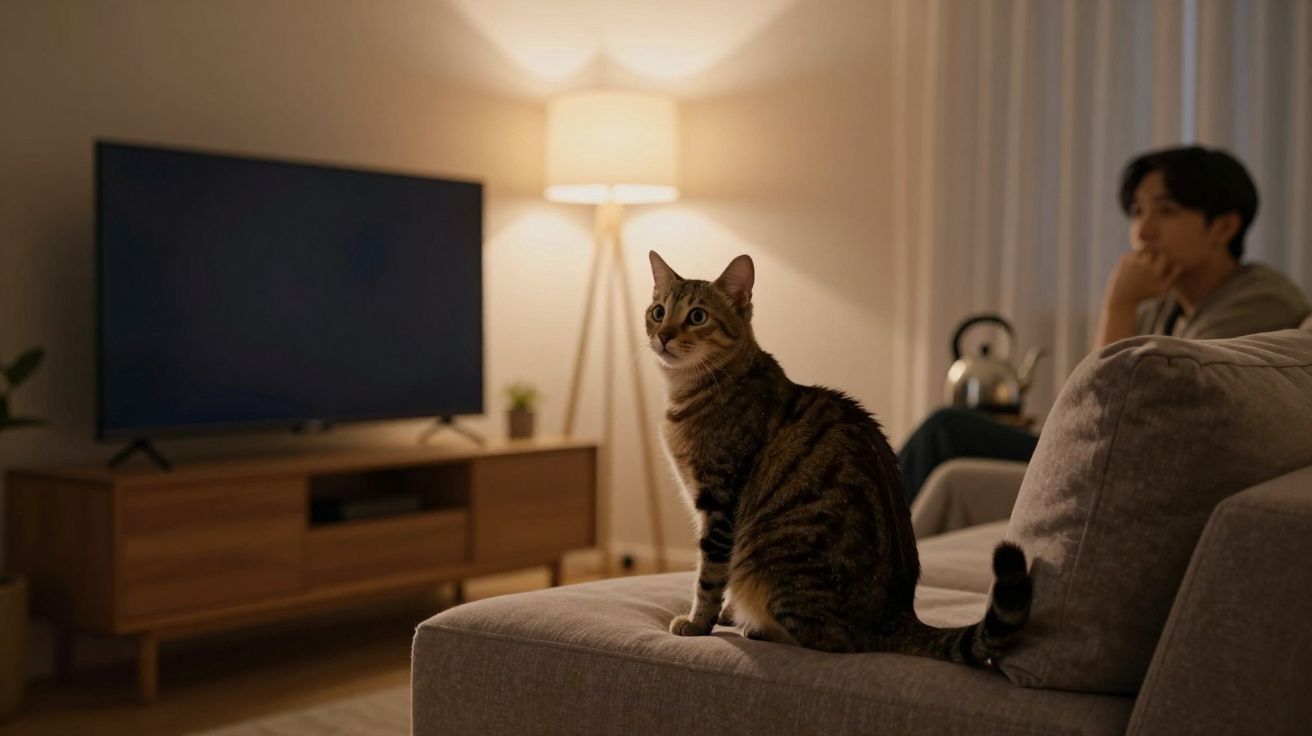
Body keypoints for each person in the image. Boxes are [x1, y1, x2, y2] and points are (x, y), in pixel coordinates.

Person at [899, 145, 1311, 503]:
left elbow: (1105, 410)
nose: (1143, 232)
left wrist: (1119, 303)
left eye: (1166, 211)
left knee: (946, 431)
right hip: (1112, 453)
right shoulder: (1164, 303)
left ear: (1224, 226)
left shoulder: (1259, 298)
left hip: (1139, 467)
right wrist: (1127, 304)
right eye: (1137, 212)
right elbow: (1086, 407)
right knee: (948, 432)